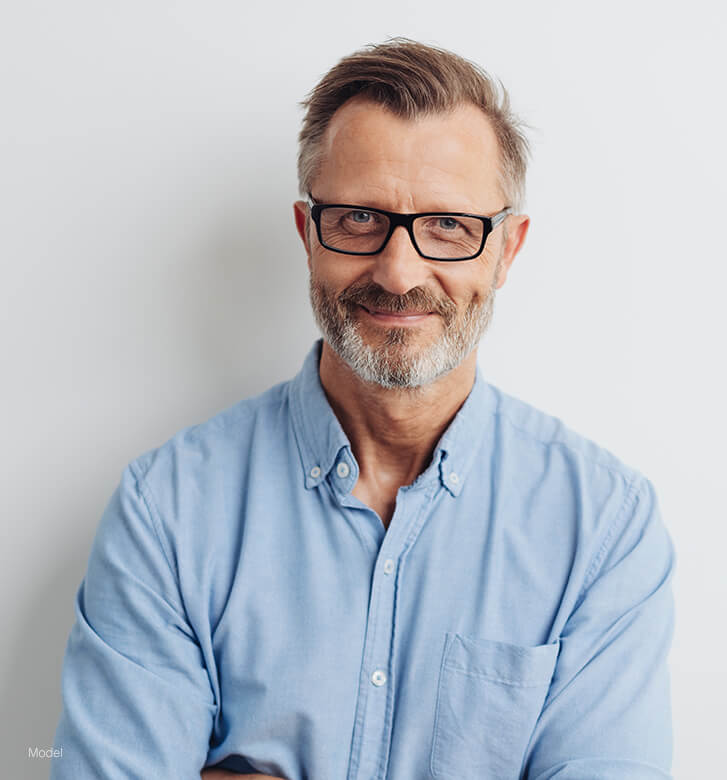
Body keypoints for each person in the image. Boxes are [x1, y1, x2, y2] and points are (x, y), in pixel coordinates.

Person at [50, 38, 675, 780]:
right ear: (308, 234)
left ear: (507, 251)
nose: (400, 271)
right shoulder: (168, 514)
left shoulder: (603, 529)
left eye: (448, 225)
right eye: (358, 219)